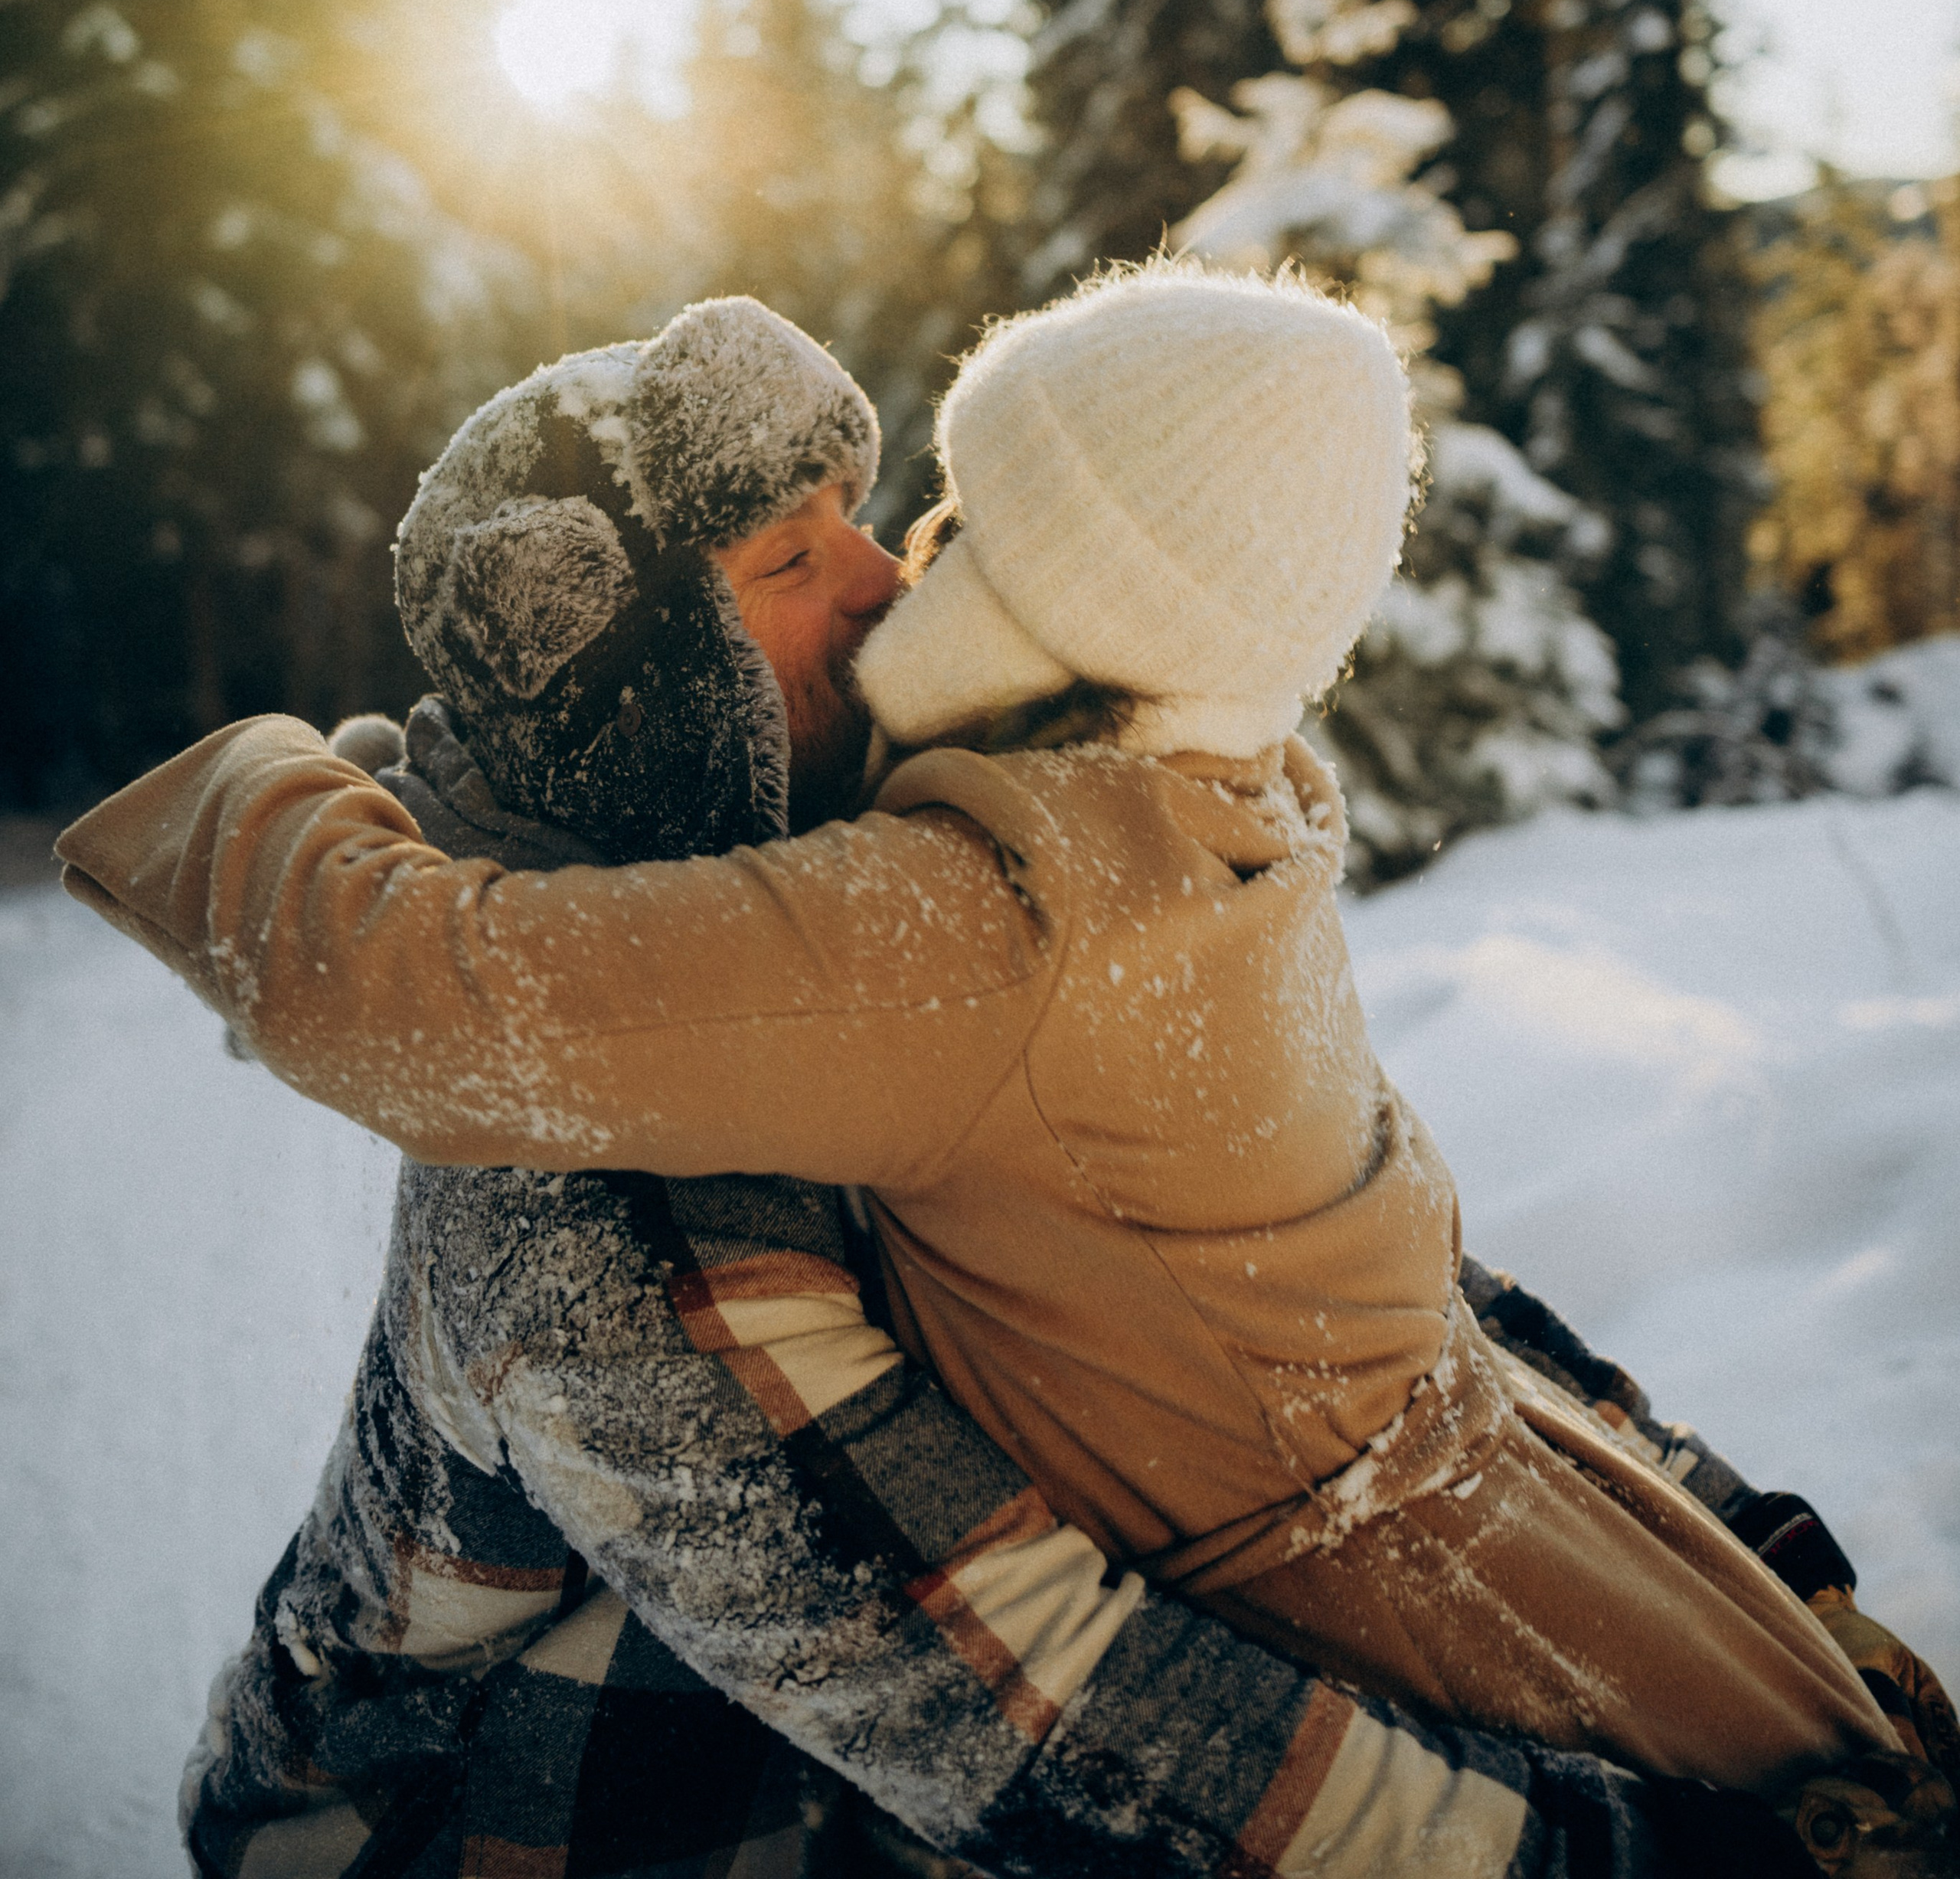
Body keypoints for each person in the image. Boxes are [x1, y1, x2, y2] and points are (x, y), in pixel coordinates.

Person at [60, 291, 1955, 1877]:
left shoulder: (1000, 889)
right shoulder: (614, 1197)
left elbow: (1332, 1283)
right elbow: (1034, 1714)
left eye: (888, 517)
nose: (889, 587)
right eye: (793, 558)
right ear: (650, 684)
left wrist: (1746, 1551)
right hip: (517, 1818)